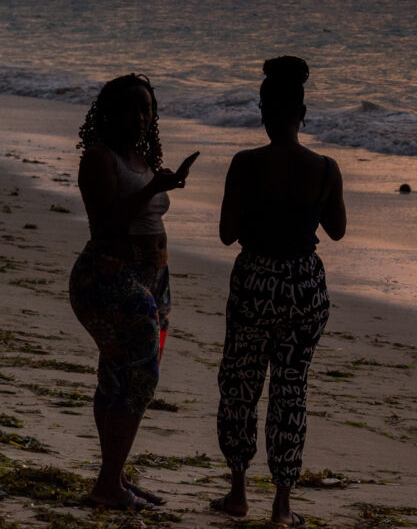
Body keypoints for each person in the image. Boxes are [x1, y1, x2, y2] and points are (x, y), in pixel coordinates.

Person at [212, 56, 346, 527]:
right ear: (302, 114)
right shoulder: (325, 168)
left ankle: (238, 492)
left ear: (263, 112)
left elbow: (227, 234)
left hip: (255, 282)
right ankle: (282, 504)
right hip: (304, 286)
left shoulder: (246, 164)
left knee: (240, 386)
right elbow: (337, 231)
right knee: (291, 390)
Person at [70, 73, 198, 510]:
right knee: (140, 376)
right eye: (132, 108)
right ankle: (108, 484)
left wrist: (161, 184)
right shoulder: (99, 158)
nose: (142, 116)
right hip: (108, 276)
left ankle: (114, 476)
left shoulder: (143, 157)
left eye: (147, 108)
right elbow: (107, 223)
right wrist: (154, 188)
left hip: (154, 278)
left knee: (117, 373)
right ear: (111, 112)